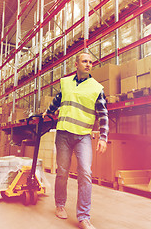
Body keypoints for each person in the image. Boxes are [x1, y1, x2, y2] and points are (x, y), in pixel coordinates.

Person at [42, 52, 109, 229]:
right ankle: (60, 205)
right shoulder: (65, 83)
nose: (88, 64)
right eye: (84, 61)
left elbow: (103, 114)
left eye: (90, 62)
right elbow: (57, 101)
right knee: (62, 171)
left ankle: (84, 217)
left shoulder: (96, 88)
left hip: (83, 136)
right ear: (76, 64)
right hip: (63, 134)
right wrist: (47, 112)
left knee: (85, 173)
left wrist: (103, 137)